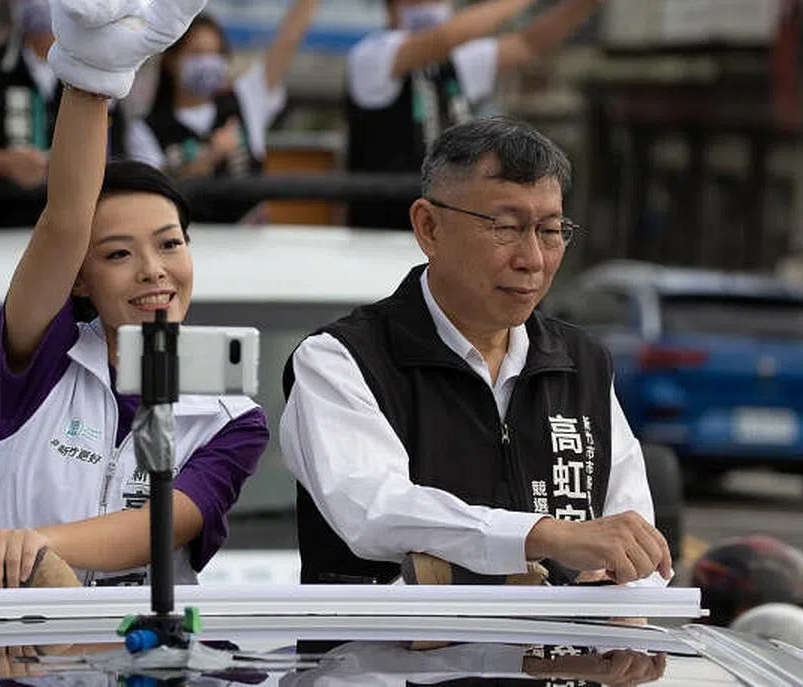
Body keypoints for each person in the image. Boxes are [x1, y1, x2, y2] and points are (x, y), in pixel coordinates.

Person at [0, 0, 269, 589]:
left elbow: (166, 522)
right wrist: (90, 81)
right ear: (80, 280)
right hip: (19, 658)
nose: (153, 270)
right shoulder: (38, 362)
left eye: (169, 244)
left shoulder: (232, 416)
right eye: (117, 255)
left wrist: (31, 546)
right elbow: (63, 221)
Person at [280, 118, 672, 587]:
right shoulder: (341, 360)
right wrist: (545, 535)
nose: (532, 258)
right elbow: (375, 509)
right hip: (379, 660)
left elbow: (630, 534)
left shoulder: (582, 363)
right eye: (506, 227)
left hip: (564, 661)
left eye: (550, 231)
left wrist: (623, 590)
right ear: (429, 227)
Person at [345, 0, 615, 230]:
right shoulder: (373, 55)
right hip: (381, 230)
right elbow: (446, 36)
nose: (429, 9)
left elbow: (528, 44)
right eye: (417, 1)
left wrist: (586, 0)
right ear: (391, 7)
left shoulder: (456, 60)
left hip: (449, 231)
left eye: (437, 0)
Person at [126, 0, 344, 224]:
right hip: (188, 246)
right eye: (196, 54)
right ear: (172, 61)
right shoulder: (146, 129)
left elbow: (287, 40)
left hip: (250, 247)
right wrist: (206, 159)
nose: (207, 63)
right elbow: (147, 200)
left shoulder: (245, 101)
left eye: (215, 54)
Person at [0, 0, 141, 229]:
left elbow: (114, 139)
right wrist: (10, 164)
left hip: (87, 226)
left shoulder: (95, 60)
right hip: (8, 226)